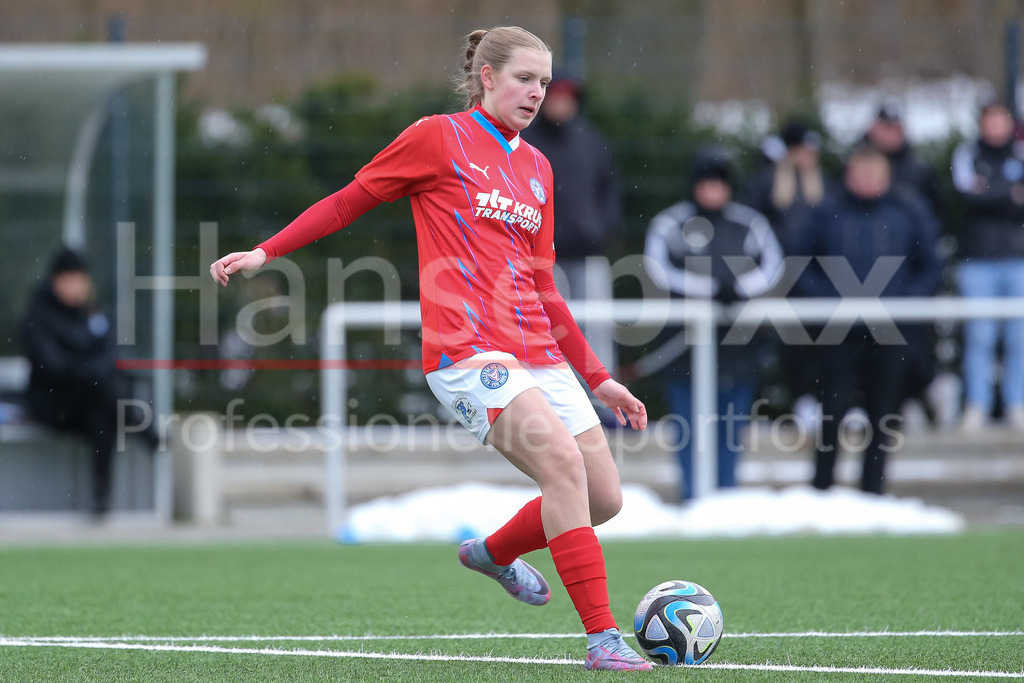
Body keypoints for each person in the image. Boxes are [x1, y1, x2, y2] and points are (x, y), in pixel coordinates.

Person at [210, 26, 652, 671]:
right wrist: (266, 251)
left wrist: (598, 377)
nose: (537, 93)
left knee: (604, 498)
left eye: (543, 82)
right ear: (488, 78)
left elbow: (543, 285)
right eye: (524, 78)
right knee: (562, 468)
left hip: (539, 351)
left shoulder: (538, 167)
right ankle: (602, 639)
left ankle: (494, 553)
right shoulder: (438, 138)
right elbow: (349, 201)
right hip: (469, 353)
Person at [791, 144, 942, 493]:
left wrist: (902, 304)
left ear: (887, 176)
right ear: (849, 175)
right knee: (832, 410)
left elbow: (931, 266)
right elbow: (799, 264)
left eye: (875, 173)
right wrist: (829, 301)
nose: (868, 180)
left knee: (883, 412)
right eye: (861, 173)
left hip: (889, 331)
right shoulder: (826, 212)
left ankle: (873, 492)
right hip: (838, 332)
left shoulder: (907, 212)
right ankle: (822, 491)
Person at [641, 151, 784, 501]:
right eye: (706, 183)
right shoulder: (670, 224)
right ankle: (693, 496)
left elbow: (773, 265)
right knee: (689, 426)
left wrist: (739, 289)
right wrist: (708, 289)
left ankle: (725, 498)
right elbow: (657, 267)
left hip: (738, 347)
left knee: (730, 427)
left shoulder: (749, 224)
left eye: (719, 183)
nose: (712, 190)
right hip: (682, 347)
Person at [21, 247, 156, 515]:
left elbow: (113, 355)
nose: (75, 286)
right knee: (102, 396)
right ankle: (134, 419)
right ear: (55, 281)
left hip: (92, 402)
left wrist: (87, 369)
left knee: (102, 416)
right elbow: (52, 365)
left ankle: (101, 497)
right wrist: (90, 369)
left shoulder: (95, 312)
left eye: (79, 279)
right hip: (53, 403)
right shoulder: (40, 315)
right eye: (68, 279)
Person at [520, 71, 622, 374]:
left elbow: (610, 190)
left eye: (568, 98)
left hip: (588, 256)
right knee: (546, 331)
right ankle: (553, 395)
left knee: (597, 331)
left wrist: (600, 229)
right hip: (541, 262)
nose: (562, 105)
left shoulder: (592, 141)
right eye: (557, 98)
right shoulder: (525, 144)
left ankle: (601, 396)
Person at [951, 99, 1024, 431]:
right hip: (977, 260)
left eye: (1000, 120)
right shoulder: (967, 155)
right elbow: (967, 198)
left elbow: (983, 197)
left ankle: (1016, 402)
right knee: (979, 336)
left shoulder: (1019, 154)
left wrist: (990, 192)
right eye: (989, 120)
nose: (995, 127)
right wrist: (1010, 194)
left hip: (1017, 258)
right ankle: (976, 403)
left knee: (1018, 337)